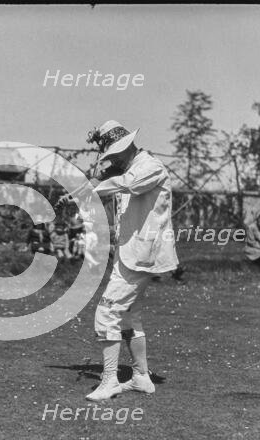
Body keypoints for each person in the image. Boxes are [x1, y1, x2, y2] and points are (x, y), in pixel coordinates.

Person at [57, 120, 179, 401]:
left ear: (126, 148)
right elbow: (108, 185)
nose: (112, 160)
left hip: (142, 256)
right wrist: (78, 192)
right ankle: (140, 377)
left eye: (114, 154)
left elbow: (128, 185)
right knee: (128, 316)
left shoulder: (150, 167)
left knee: (106, 313)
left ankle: (110, 380)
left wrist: (84, 191)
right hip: (129, 255)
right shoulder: (126, 170)